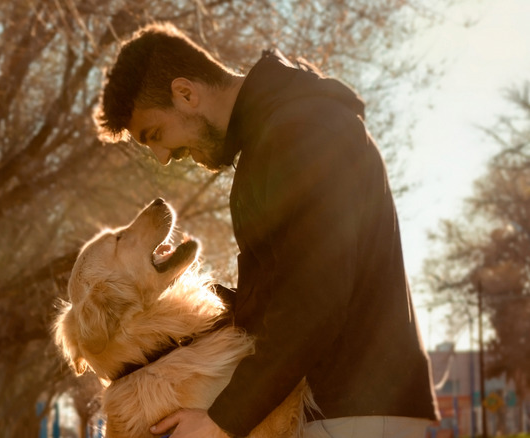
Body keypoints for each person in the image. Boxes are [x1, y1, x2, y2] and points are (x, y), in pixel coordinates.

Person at [94, 22, 439, 438]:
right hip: (337, 407)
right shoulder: (276, 136)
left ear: (186, 94)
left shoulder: (302, 131)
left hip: (356, 409)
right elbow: (282, 297)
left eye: (156, 134)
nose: (163, 157)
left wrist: (224, 420)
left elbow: (315, 297)